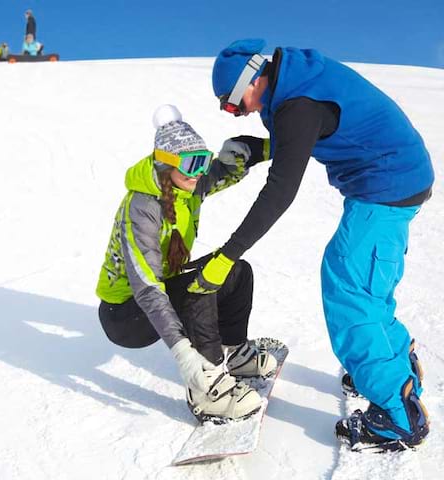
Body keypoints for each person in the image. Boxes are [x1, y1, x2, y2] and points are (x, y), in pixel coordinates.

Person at [198, 38, 434, 450]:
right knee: (365, 281)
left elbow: (281, 191)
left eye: (233, 103)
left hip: (386, 183)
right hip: (394, 176)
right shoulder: (298, 83)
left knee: (350, 287)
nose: (237, 112)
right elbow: (313, 135)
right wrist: (259, 149)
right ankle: (393, 362)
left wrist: (229, 253)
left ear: (251, 80)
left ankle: (397, 414)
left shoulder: (297, 103)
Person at [96, 104, 278, 423]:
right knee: (200, 287)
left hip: (156, 294)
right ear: (166, 166)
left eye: (202, 161)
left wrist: (258, 149)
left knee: (235, 270)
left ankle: (234, 354)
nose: (199, 172)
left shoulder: (188, 187)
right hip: (124, 316)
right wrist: (183, 354)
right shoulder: (142, 207)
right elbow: (148, 288)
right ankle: (207, 389)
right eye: (192, 164)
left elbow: (226, 169)